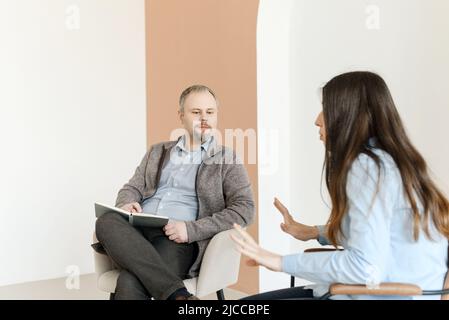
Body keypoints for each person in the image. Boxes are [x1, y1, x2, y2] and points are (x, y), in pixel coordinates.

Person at [231, 71, 449, 300]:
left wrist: (277, 261)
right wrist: (315, 232)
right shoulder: (393, 162)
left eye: (326, 108)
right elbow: (384, 237)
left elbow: (365, 266)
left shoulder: (366, 167)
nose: (317, 119)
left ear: (350, 116)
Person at [95, 85, 255, 300]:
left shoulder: (227, 159)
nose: (204, 118)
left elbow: (245, 209)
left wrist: (191, 229)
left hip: (177, 240)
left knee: (130, 279)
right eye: (196, 112)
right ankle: (179, 296)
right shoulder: (157, 151)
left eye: (210, 112)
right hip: (137, 231)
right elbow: (131, 188)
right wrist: (127, 202)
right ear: (181, 116)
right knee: (107, 220)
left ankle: (177, 296)